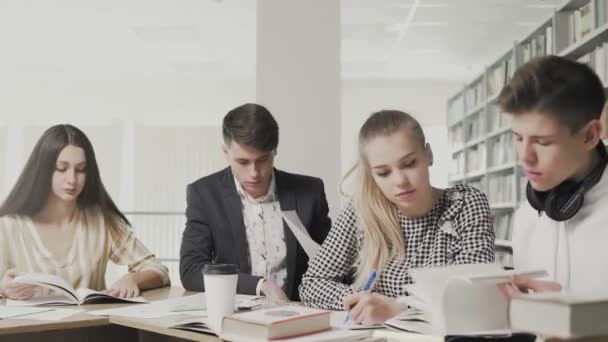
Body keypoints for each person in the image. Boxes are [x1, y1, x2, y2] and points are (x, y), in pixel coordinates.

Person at [299, 110, 495, 325]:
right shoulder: (361, 211)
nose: (400, 180)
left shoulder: (466, 203)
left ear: (428, 154)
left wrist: (398, 308)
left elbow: (473, 296)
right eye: (383, 173)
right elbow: (312, 283)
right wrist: (360, 302)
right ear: (372, 174)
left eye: (410, 163)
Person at [179, 103, 332, 301]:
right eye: (243, 162)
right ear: (225, 153)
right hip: (235, 314)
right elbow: (191, 270)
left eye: (262, 160)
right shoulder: (205, 194)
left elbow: (337, 264)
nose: (254, 173)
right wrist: (259, 285)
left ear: (275, 151)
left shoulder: (309, 192)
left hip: (299, 313)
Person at [0, 124, 170, 300]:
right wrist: (4, 290)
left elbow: (158, 269)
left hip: (91, 326)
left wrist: (132, 279)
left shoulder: (103, 221)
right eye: (61, 168)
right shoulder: (8, 226)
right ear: (43, 169)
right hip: (29, 327)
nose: (72, 179)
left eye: (81, 170)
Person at [496, 56, 608, 298]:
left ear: (590, 135)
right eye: (517, 138)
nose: (525, 157)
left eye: (543, 142)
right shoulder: (526, 218)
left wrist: (577, 318)